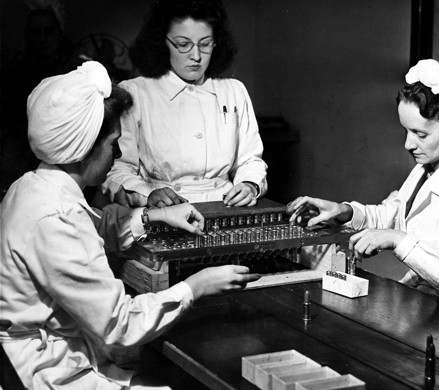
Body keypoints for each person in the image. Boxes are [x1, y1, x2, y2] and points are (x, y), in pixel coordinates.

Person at [0, 61, 260, 389]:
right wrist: (196, 287)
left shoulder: (31, 186)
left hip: (51, 353)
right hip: (48, 372)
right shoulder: (55, 217)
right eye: (112, 144)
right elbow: (120, 325)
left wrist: (153, 216)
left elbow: (91, 227)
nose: (120, 152)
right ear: (83, 149)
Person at [287, 59, 439, 312]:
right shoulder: (425, 170)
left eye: (420, 134)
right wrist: (345, 211)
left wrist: (398, 240)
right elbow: (391, 214)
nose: (408, 145)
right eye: (406, 132)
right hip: (421, 308)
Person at [102, 0, 268, 209]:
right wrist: (148, 194)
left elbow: (250, 160)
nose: (196, 56)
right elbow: (118, 170)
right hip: (164, 211)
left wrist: (249, 184)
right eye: (183, 45)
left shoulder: (234, 91)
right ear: (162, 42)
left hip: (225, 209)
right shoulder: (136, 92)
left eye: (205, 44)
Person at [0, 0, 83, 196]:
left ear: (60, 32)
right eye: (36, 33)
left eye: (49, 31)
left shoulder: (77, 71)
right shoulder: (15, 72)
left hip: (65, 159)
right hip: (21, 158)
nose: (43, 39)